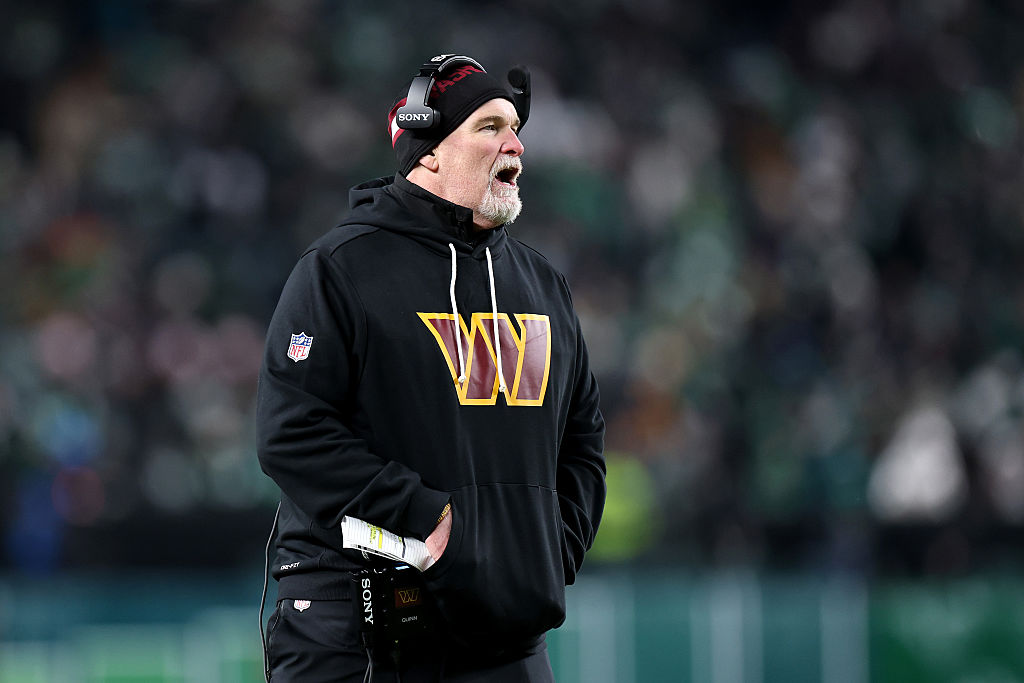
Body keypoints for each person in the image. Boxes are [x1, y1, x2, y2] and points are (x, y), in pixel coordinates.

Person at [256, 53, 607, 682]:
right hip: (359, 635)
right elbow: (292, 432)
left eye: (515, 128)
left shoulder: (541, 283)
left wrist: (550, 549)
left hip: (508, 640)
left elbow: (582, 438)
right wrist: (430, 521)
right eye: (490, 127)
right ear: (429, 152)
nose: (516, 145)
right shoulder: (341, 268)